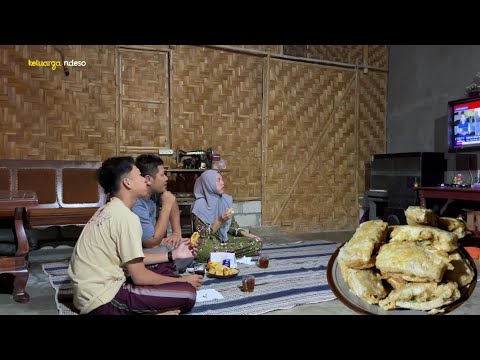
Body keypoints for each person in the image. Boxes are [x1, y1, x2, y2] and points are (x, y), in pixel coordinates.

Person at [68, 156, 203, 315]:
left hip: (89, 292)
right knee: (187, 293)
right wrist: (181, 280)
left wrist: (174, 254)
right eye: (139, 175)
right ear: (127, 182)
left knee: (163, 265)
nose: (145, 180)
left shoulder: (109, 209)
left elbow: (135, 257)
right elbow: (139, 277)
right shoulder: (126, 217)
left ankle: (155, 301)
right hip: (102, 300)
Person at [132, 154, 193, 272]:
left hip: (156, 246)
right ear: (148, 179)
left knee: (187, 246)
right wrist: (166, 206)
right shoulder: (137, 203)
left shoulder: (155, 193)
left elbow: (172, 200)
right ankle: (165, 269)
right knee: (177, 252)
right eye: (162, 174)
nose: (166, 178)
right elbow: (151, 242)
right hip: (141, 252)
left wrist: (176, 233)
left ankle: (167, 267)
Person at [191, 169, 263, 263]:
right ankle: (225, 254)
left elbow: (232, 227)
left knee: (257, 243)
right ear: (208, 184)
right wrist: (220, 221)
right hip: (209, 241)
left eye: (222, 179)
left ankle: (218, 256)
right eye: (218, 180)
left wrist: (249, 235)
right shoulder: (199, 205)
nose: (223, 183)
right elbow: (202, 235)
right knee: (202, 250)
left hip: (225, 239)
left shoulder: (225, 200)